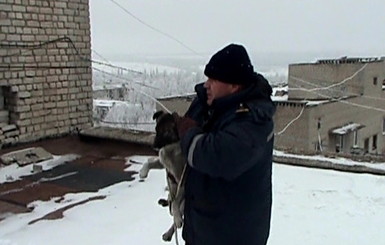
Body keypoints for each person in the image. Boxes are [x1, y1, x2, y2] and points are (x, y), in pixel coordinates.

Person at [174, 43, 275, 245]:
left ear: (234, 86)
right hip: (203, 229)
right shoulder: (212, 104)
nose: (206, 85)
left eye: (213, 79)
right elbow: (187, 131)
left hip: (233, 235)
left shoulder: (254, 119)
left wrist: (187, 132)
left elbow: (214, 155)